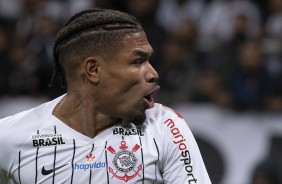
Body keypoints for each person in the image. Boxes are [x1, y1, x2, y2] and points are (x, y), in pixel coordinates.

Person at [0, 8, 211, 184]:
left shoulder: (165, 126)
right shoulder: (9, 138)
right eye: (138, 61)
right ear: (93, 70)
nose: (153, 73)